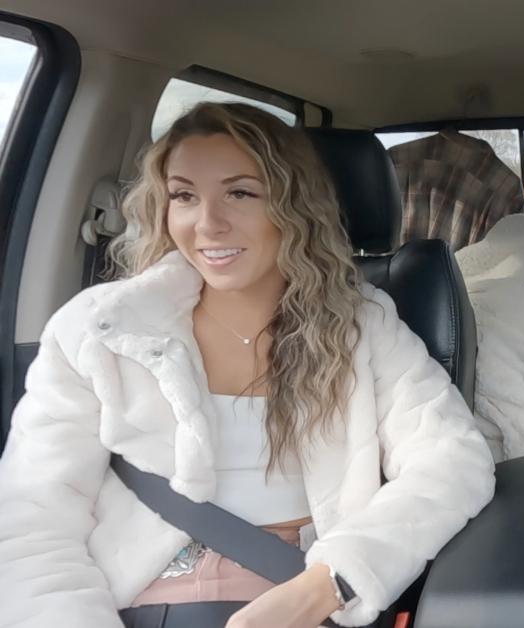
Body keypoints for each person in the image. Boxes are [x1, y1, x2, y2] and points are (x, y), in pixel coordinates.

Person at [0, 102, 495, 628]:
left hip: (303, 596)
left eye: (240, 193)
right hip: (128, 604)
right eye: (185, 196)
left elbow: (452, 460)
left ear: (293, 207)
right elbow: (31, 513)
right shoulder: (100, 330)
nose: (208, 224)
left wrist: (332, 582)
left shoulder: (362, 325)